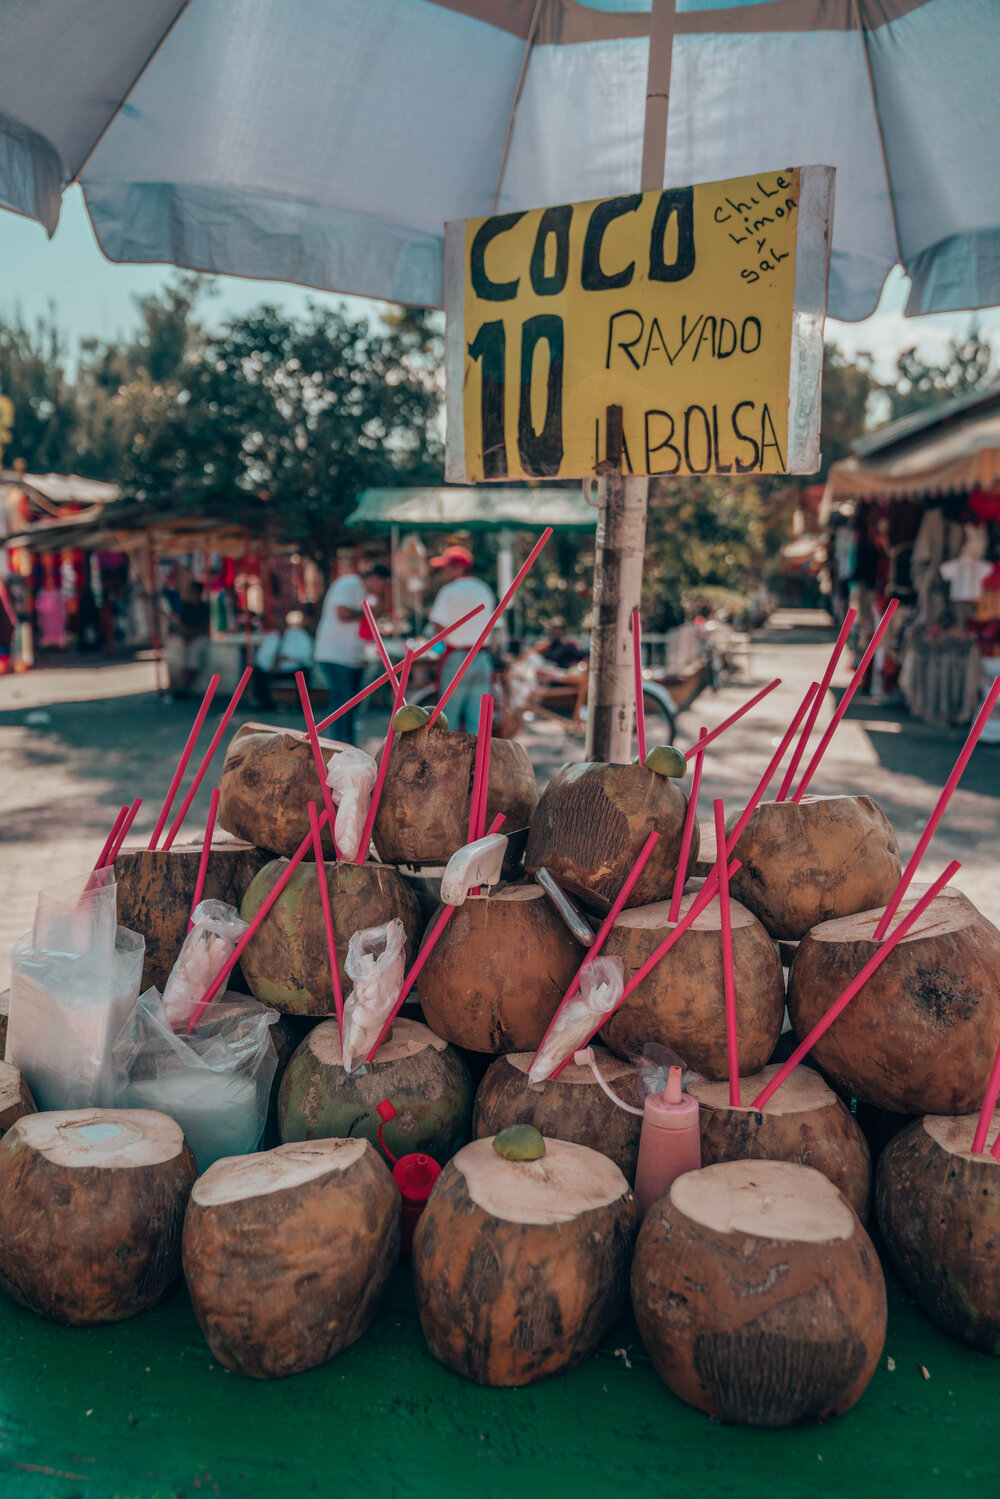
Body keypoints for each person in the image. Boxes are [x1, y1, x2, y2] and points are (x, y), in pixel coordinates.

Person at [314, 562, 393, 743]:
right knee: (342, 705)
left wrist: (380, 601)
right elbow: (343, 613)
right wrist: (368, 611)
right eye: (384, 584)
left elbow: (371, 615)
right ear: (375, 578)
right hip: (336, 656)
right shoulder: (349, 584)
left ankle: (347, 744)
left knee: (351, 706)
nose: (383, 588)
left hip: (353, 657)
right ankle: (339, 744)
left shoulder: (365, 592)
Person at [427, 545, 496, 731]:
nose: (442, 572)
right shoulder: (484, 589)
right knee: (478, 721)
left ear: (458, 568)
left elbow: (438, 627)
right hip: (482, 658)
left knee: (447, 720)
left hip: (457, 659)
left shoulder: (449, 591)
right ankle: (477, 760)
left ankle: (449, 761)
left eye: (445, 567)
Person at [252, 609, 314, 711]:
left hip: (293, 669)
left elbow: (305, 655)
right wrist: (269, 667)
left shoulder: (299, 635)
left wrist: (287, 657)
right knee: (257, 672)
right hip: (273, 670)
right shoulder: (271, 637)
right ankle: (265, 703)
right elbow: (261, 657)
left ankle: (301, 705)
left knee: (304, 673)